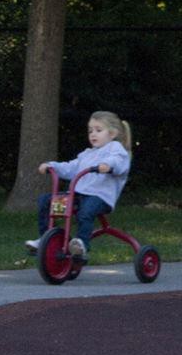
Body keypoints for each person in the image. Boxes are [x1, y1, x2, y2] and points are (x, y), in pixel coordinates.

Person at [25, 111, 132, 259]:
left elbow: (119, 162)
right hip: (77, 195)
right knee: (46, 201)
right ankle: (48, 238)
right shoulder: (87, 154)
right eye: (90, 130)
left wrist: (107, 165)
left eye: (98, 130)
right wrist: (52, 166)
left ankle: (81, 244)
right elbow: (71, 168)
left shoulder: (115, 148)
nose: (93, 134)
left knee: (86, 211)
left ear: (112, 133)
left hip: (100, 197)